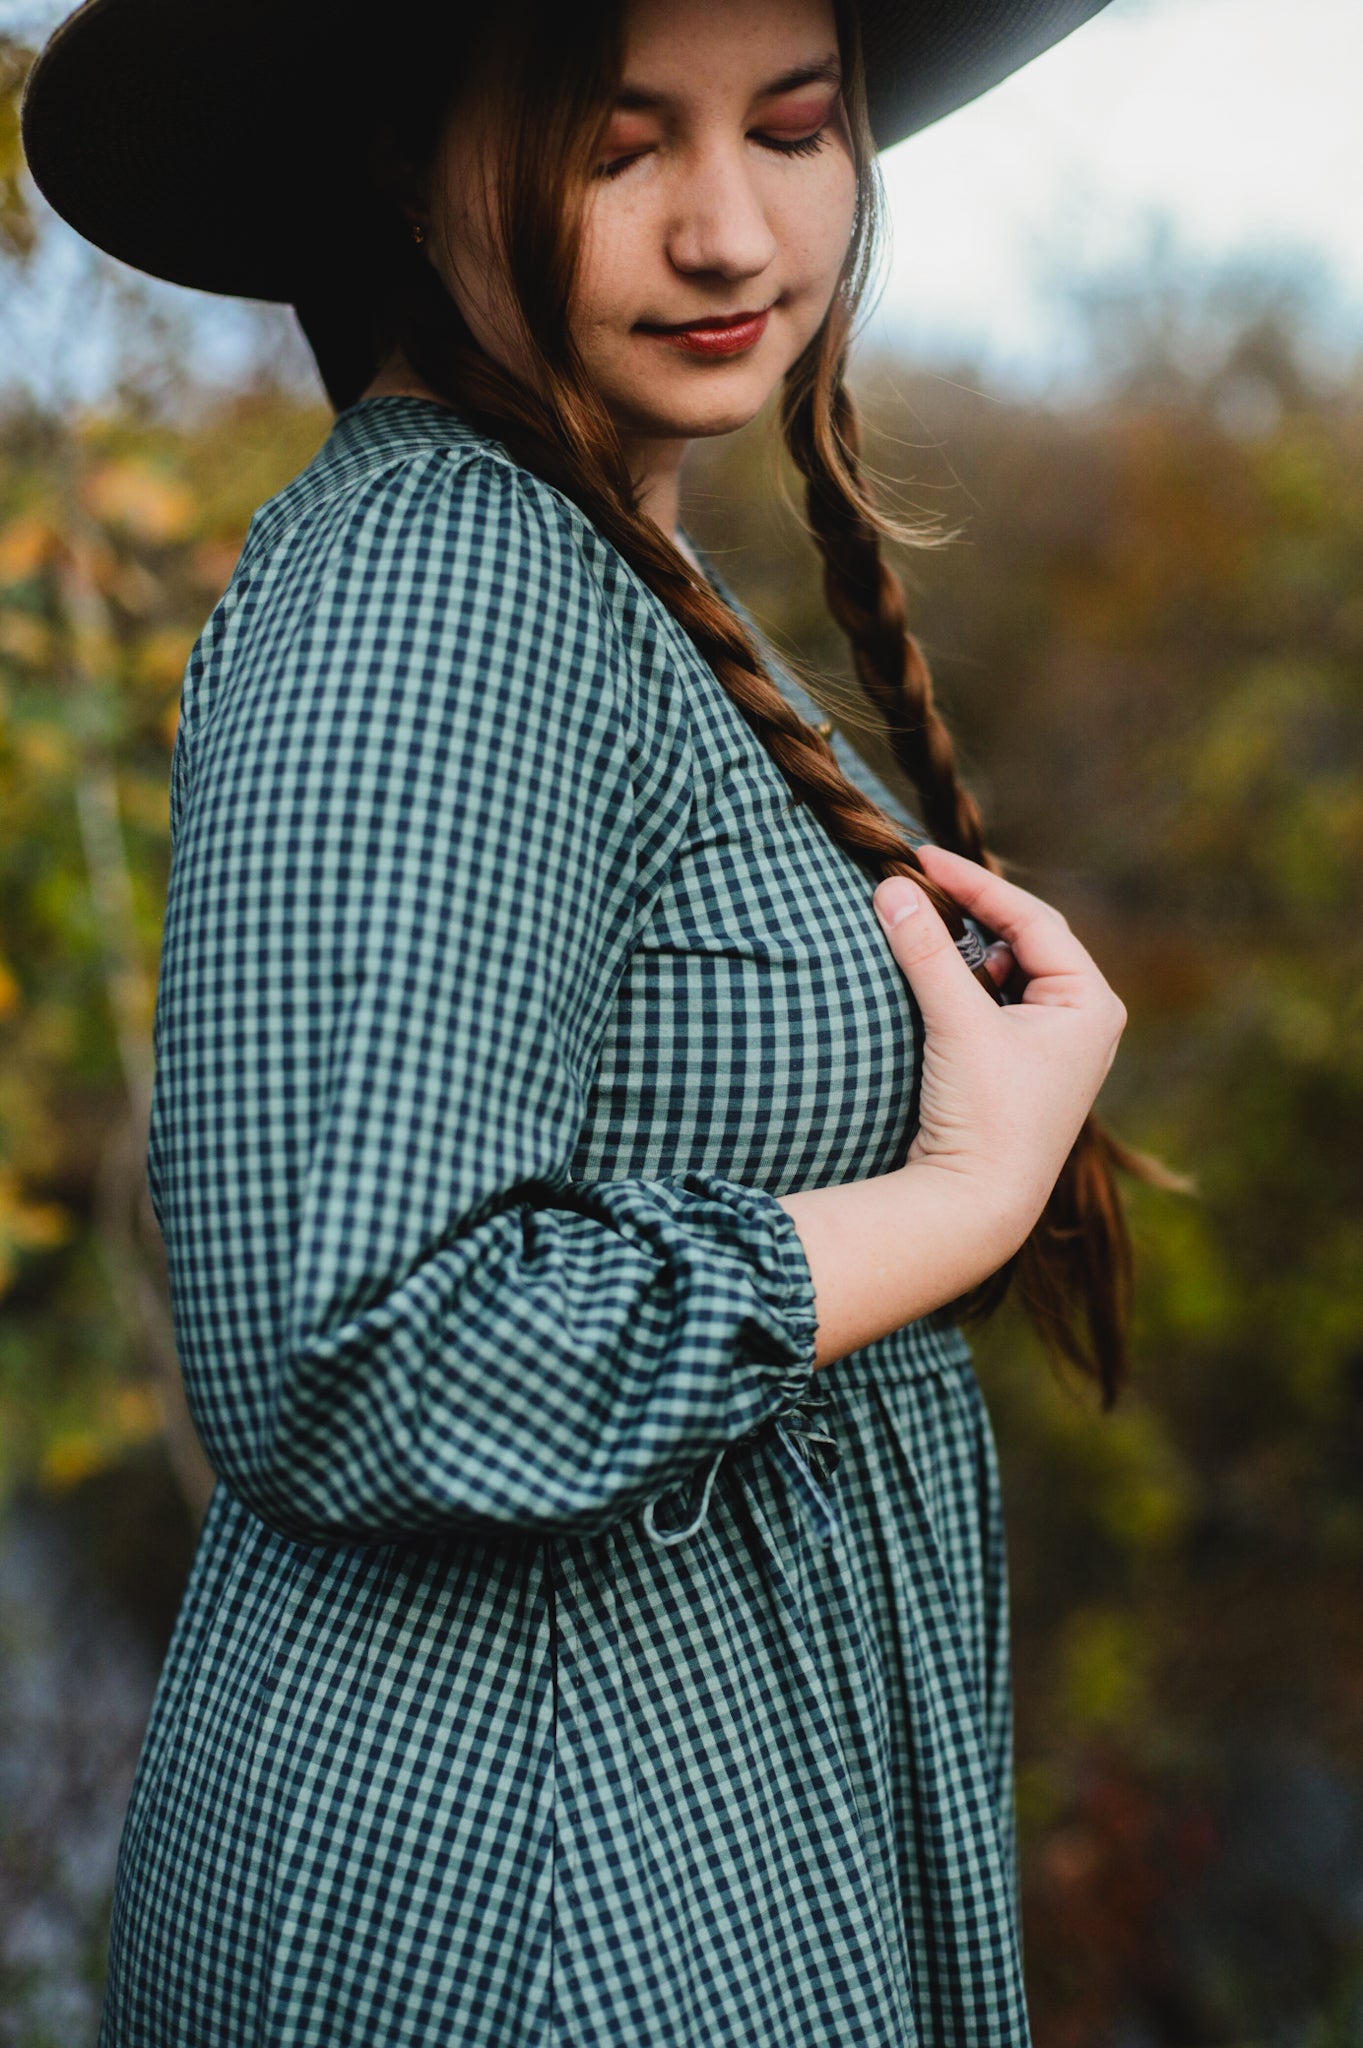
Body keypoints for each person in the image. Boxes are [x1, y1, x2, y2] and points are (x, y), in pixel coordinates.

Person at [20, 0, 1171, 2040]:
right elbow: (355, 1350)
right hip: (545, 1882)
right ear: (407, 166)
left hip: (665, 1792)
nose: (727, 232)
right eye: (615, 148)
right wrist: (958, 1199)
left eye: (790, 129)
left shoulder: (575, 556)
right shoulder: (442, 578)